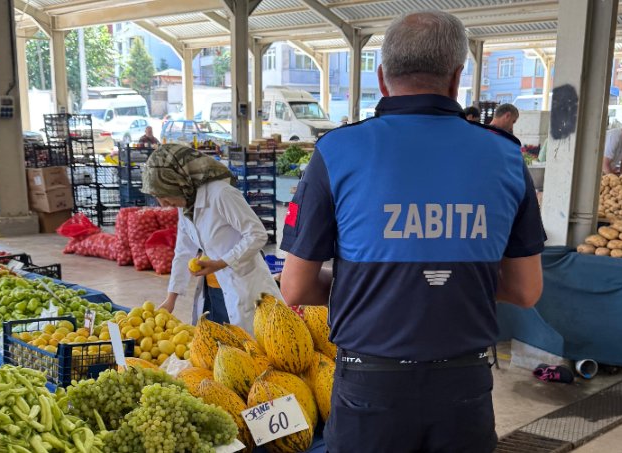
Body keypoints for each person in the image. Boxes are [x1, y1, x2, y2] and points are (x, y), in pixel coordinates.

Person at [278, 11, 545, 453]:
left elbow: (294, 287)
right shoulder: (506, 157)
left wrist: (374, 287)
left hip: (369, 387)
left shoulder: (337, 151)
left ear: (382, 78)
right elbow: (526, 290)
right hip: (464, 387)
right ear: (457, 79)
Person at [143, 144, 281, 331]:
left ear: (180, 181)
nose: (163, 203)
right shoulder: (186, 206)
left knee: (257, 347)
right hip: (215, 291)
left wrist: (222, 263)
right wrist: (171, 298)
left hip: (246, 288)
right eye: (158, 197)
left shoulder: (221, 194)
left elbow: (257, 234)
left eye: (165, 195)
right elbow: (183, 251)